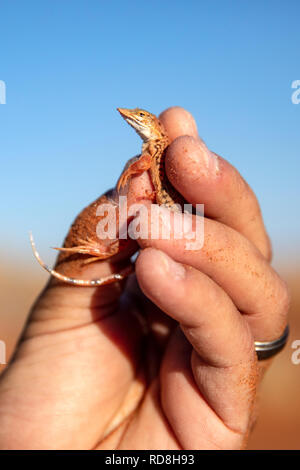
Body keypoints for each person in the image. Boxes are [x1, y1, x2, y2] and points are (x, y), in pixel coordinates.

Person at [0, 107, 290, 450]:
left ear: (152, 125)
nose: (130, 116)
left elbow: (140, 169)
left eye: (139, 115)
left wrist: (258, 344)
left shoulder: (154, 153)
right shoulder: (155, 154)